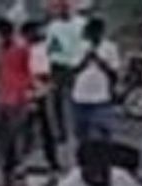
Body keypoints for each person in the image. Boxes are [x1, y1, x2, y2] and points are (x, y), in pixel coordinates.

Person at [0, 18, 33, 186]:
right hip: (2, 96)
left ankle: (18, 165)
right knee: (1, 133)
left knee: (16, 134)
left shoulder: (22, 49)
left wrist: (30, 93)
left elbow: (30, 71)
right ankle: (2, 164)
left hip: (18, 96)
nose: (1, 36)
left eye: (3, 32)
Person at [21, 21, 61, 186]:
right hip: (28, 93)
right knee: (27, 130)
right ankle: (20, 162)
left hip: (40, 92)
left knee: (45, 130)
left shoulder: (42, 49)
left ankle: (53, 163)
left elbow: (49, 71)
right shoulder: (24, 49)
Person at [71, 17, 120, 142]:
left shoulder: (110, 47)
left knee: (103, 131)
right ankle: (83, 157)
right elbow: (73, 70)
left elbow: (114, 72)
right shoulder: (79, 46)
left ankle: (102, 156)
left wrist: (100, 61)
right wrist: (86, 58)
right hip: (80, 96)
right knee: (81, 131)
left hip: (101, 97)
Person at [46, 0, 88, 142]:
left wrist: (79, 62)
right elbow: (51, 46)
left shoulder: (81, 24)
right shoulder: (54, 26)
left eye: (66, 7)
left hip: (76, 66)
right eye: (60, 8)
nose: (63, 10)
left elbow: (86, 45)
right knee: (57, 100)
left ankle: (78, 130)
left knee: (75, 99)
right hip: (58, 66)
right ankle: (61, 132)